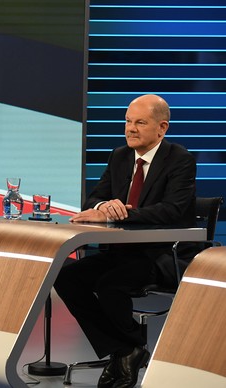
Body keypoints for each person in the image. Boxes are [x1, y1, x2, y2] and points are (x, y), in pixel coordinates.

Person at [54, 94, 196, 388]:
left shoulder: (179, 159)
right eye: (128, 122)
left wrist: (123, 214)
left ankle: (125, 352)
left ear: (162, 128)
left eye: (140, 122)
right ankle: (126, 349)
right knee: (66, 278)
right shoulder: (119, 156)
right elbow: (93, 198)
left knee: (110, 286)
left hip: (160, 256)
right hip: (120, 252)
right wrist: (104, 205)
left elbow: (173, 210)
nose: (130, 129)